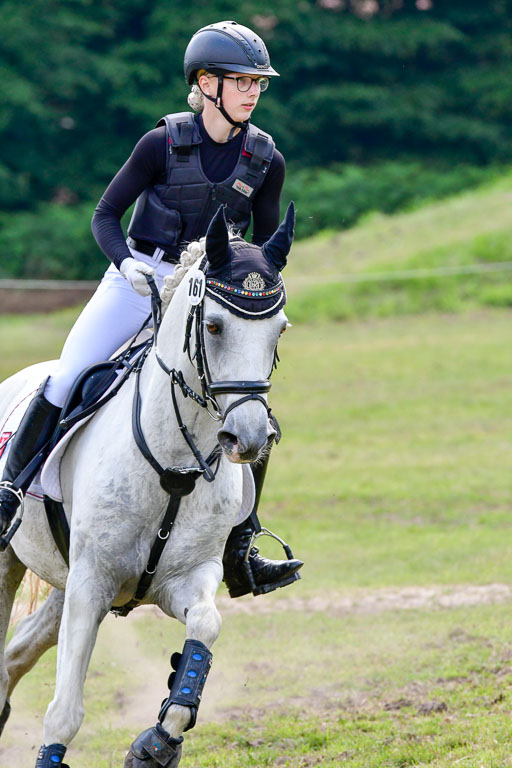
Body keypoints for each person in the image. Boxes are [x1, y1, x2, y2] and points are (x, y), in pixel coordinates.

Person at [0, 20, 303, 597]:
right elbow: (103, 217)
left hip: (208, 292)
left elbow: (264, 253)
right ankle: (9, 493)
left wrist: (255, 294)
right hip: (139, 277)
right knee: (68, 376)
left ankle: (242, 546)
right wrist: (128, 266)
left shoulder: (267, 159)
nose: (252, 92)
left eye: (258, 83)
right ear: (205, 83)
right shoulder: (161, 142)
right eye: (240, 81)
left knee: (250, 414)